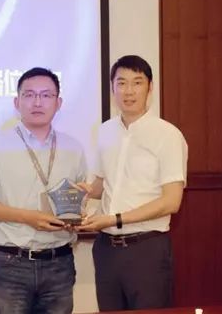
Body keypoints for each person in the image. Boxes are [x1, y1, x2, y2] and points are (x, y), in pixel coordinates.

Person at [0, 67, 87, 314]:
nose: (37, 102)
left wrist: (77, 216)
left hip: (59, 263)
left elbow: (80, 198)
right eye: (29, 95)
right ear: (16, 102)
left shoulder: (73, 148)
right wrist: (27, 217)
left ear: (58, 103)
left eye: (46, 95)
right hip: (11, 264)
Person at [76, 55, 188, 311]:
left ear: (150, 87)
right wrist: (81, 194)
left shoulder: (168, 135)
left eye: (137, 83)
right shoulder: (105, 131)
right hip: (106, 250)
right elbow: (101, 186)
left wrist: (114, 219)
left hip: (146, 249)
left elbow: (171, 201)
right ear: (112, 88)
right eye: (121, 83)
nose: (128, 91)